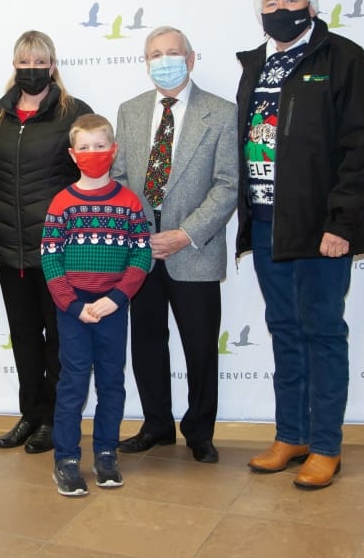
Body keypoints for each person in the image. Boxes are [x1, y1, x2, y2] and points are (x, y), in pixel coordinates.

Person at [235, 0, 364, 489]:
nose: (280, 9)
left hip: (321, 227)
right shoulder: (257, 64)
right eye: (270, 1)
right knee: (284, 332)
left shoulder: (342, 58)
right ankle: (291, 434)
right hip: (268, 221)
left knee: (322, 332)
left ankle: (326, 445)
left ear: (312, 6)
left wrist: (342, 220)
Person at [112, 26, 239, 464]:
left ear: (191, 58)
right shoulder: (129, 111)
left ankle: (200, 430)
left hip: (194, 249)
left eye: (172, 52)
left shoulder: (221, 113)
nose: (163, 60)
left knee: (200, 345)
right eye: (154, 54)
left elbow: (226, 186)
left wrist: (185, 234)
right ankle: (157, 425)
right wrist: (137, 234)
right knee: (146, 341)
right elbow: (121, 181)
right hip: (141, 250)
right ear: (145, 62)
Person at [0, 31, 93, 455]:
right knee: (23, 334)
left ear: (53, 65)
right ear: (14, 66)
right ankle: (30, 414)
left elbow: (89, 174)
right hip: (8, 246)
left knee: (58, 337)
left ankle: (55, 420)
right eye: (24, 62)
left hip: (56, 248)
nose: (31, 69)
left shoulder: (73, 113)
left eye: (39, 62)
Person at [41, 114, 152, 496]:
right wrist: (73, 306)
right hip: (73, 310)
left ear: (113, 149)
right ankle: (66, 459)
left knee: (111, 382)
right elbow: (51, 259)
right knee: (72, 383)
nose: (93, 154)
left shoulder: (129, 201)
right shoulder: (62, 203)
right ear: (73, 155)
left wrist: (116, 298)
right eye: (84, 148)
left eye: (100, 146)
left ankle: (106, 452)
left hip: (112, 308)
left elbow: (141, 256)